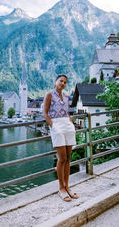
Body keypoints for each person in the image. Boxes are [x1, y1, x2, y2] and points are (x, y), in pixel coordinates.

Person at [43, 74, 79, 202]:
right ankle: (61, 188)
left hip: (67, 125)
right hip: (57, 125)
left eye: (65, 82)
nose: (63, 83)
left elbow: (67, 112)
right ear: (56, 81)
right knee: (62, 158)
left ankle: (67, 186)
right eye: (61, 81)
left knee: (68, 158)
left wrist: (70, 123)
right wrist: (53, 126)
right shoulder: (49, 94)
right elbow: (45, 113)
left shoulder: (66, 96)